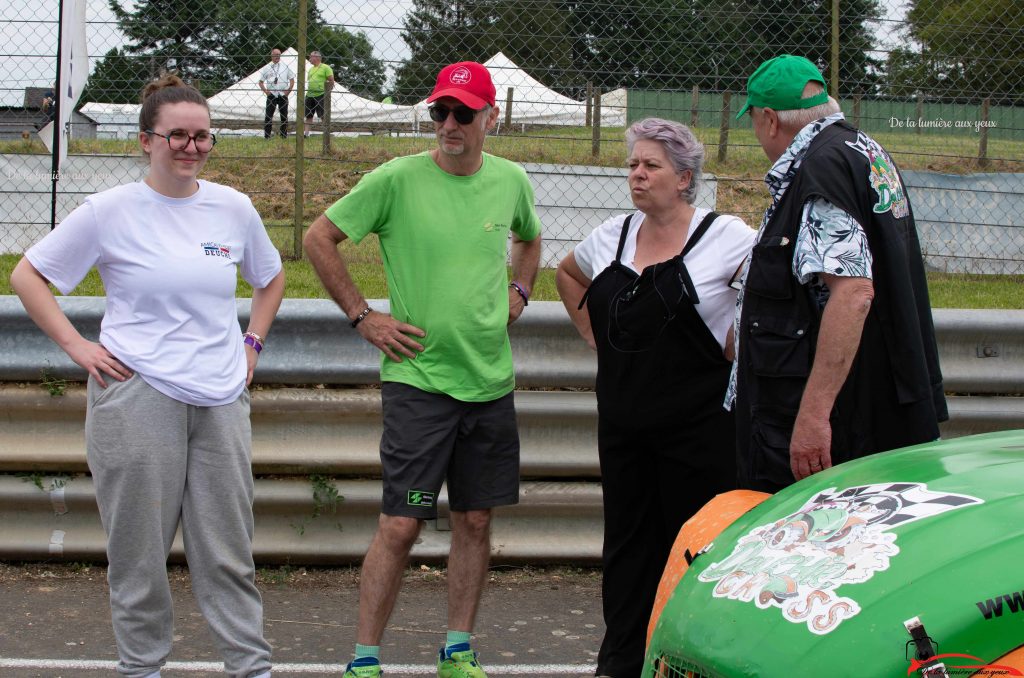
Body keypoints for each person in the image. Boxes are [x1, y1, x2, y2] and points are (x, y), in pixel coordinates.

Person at [10, 74, 285, 678]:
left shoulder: (232, 208)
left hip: (219, 397)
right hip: (137, 396)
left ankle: (251, 669)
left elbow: (270, 277)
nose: (190, 148)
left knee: (228, 553)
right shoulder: (109, 212)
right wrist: (78, 346)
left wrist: (252, 345)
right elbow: (28, 277)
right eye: (176, 136)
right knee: (138, 554)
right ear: (146, 141)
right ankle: (141, 669)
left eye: (202, 137)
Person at [304, 61, 542, 678]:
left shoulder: (511, 180)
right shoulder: (396, 180)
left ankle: (457, 649)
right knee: (402, 524)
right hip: (421, 382)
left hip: (489, 382)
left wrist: (520, 288)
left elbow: (530, 238)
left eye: (464, 112)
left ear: (491, 117)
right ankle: (363, 659)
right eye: (441, 111)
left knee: (476, 517)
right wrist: (364, 317)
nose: (450, 124)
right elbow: (317, 239)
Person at [556, 118, 754, 678]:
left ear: (684, 176)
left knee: (697, 550)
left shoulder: (728, 236)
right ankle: (622, 662)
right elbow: (568, 276)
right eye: (633, 165)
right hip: (623, 431)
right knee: (628, 555)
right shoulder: (612, 236)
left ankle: (695, 662)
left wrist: (736, 345)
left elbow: (767, 301)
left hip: (700, 434)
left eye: (651, 166)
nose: (637, 175)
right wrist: (595, 334)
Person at [727, 54, 947, 493]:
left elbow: (853, 292)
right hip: (879, 400)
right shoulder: (863, 150)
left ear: (770, 119)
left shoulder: (820, 168)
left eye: (752, 121)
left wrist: (813, 415)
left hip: (836, 422)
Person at [259, 48, 294, 138]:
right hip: (272, 94)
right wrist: (266, 92)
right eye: (276, 55)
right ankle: (267, 136)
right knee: (268, 116)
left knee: (284, 116)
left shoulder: (285, 66)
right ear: (272, 55)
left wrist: (288, 90)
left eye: (279, 55)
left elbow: (292, 79)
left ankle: (283, 135)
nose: (277, 56)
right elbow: (260, 82)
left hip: (282, 94)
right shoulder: (266, 68)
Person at [303, 50, 334, 137]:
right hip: (310, 95)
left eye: (311, 57)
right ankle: (306, 134)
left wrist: (328, 93)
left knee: (322, 115)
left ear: (317, 57)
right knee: (308, 115)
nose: (309, 59)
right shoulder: (310, 69)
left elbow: (331, 80)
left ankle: (326, 133)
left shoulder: (326, 67)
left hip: (321, 94)